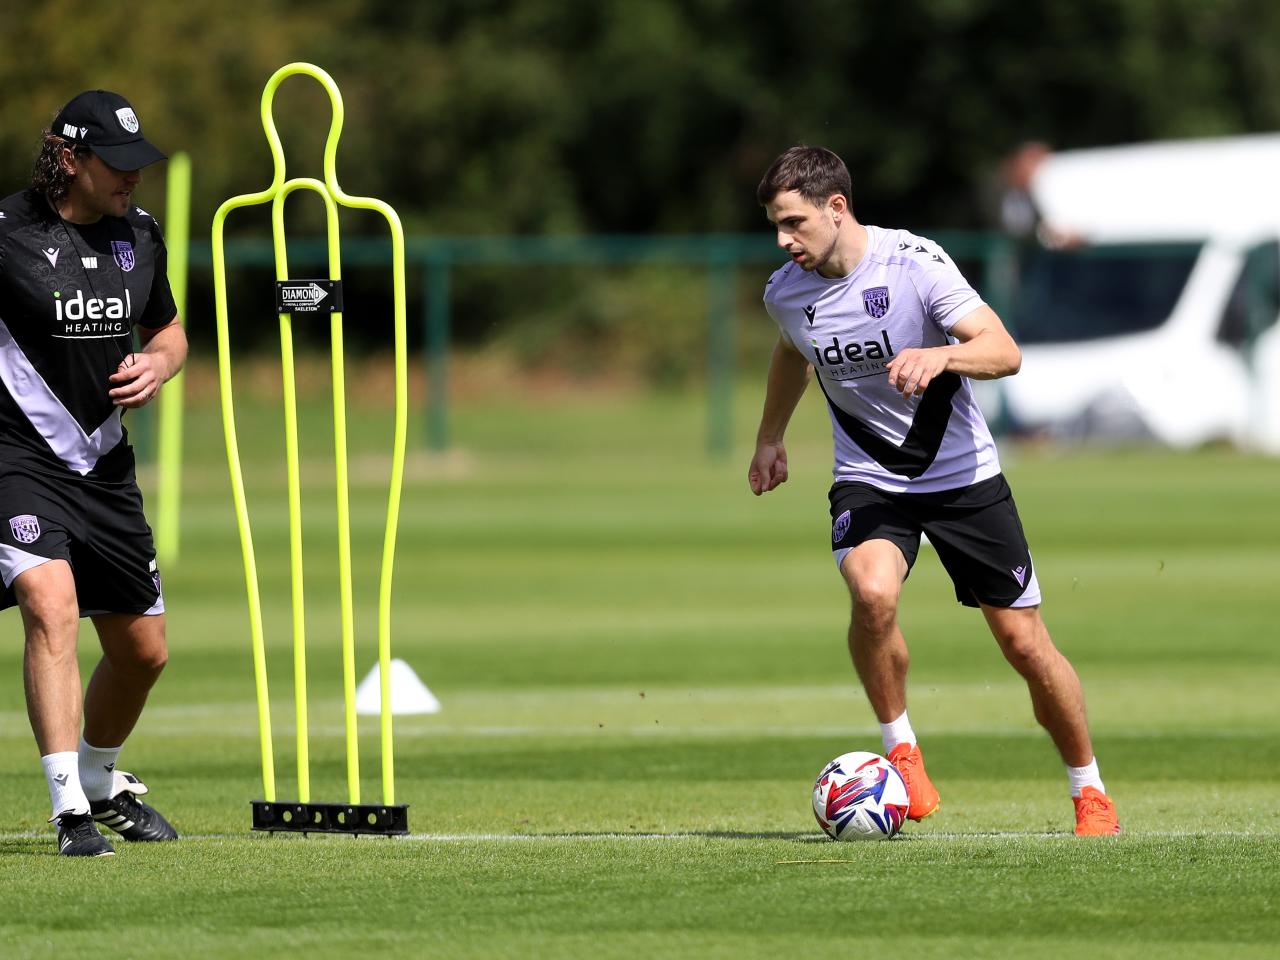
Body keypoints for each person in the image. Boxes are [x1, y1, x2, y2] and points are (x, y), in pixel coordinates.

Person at [748, 145, 1119, 836]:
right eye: (775, 224)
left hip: (962, 480)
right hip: (869, 477)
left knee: (1025, 645)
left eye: (794, 222)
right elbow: (791, 351)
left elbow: (1003, 350)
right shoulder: (785, 292)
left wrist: (943, 353)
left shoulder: (914, 263)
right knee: (872, 593)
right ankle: (902, 751)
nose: (783, 239)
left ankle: (1088, 789)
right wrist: (771, 436)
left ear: (837, 208)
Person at [0, 90, 187, 856]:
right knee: (50, 601)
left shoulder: (139, 236)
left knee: (145, 652)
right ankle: (69, 810)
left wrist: (160, 366)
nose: (133, 180)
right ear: (70, 159)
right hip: (17, 456)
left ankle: (102, 778)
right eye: (118, 166)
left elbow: (168, 329)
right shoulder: (6, 233)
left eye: (140, 165)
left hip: (105, 468)